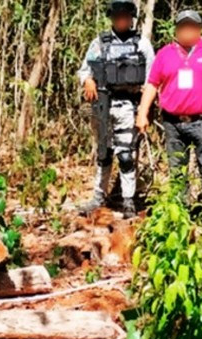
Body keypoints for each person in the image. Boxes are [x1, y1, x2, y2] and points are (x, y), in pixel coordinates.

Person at [136, 10, 202, 221]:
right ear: (176, 29)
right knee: (177, 172)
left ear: (200, 29)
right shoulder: (165, 54)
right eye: (183, 26)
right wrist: (142, 112)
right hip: (173, 122)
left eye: (192, 26)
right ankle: (180, 217)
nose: (187, 30)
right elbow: (152, 84)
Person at [77, 0, 155, 219]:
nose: (121, 20)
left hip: (128, 105)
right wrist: (87, 81)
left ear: (131, 19)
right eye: (117, 16)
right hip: (102, 104)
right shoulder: (100, 43)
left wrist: (144, 110)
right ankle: (98, 197)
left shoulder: (142, 44)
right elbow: (84, 70)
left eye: (125, 17)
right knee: (104, 153)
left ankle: (128, 200)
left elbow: (152, 78)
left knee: (126, 155)